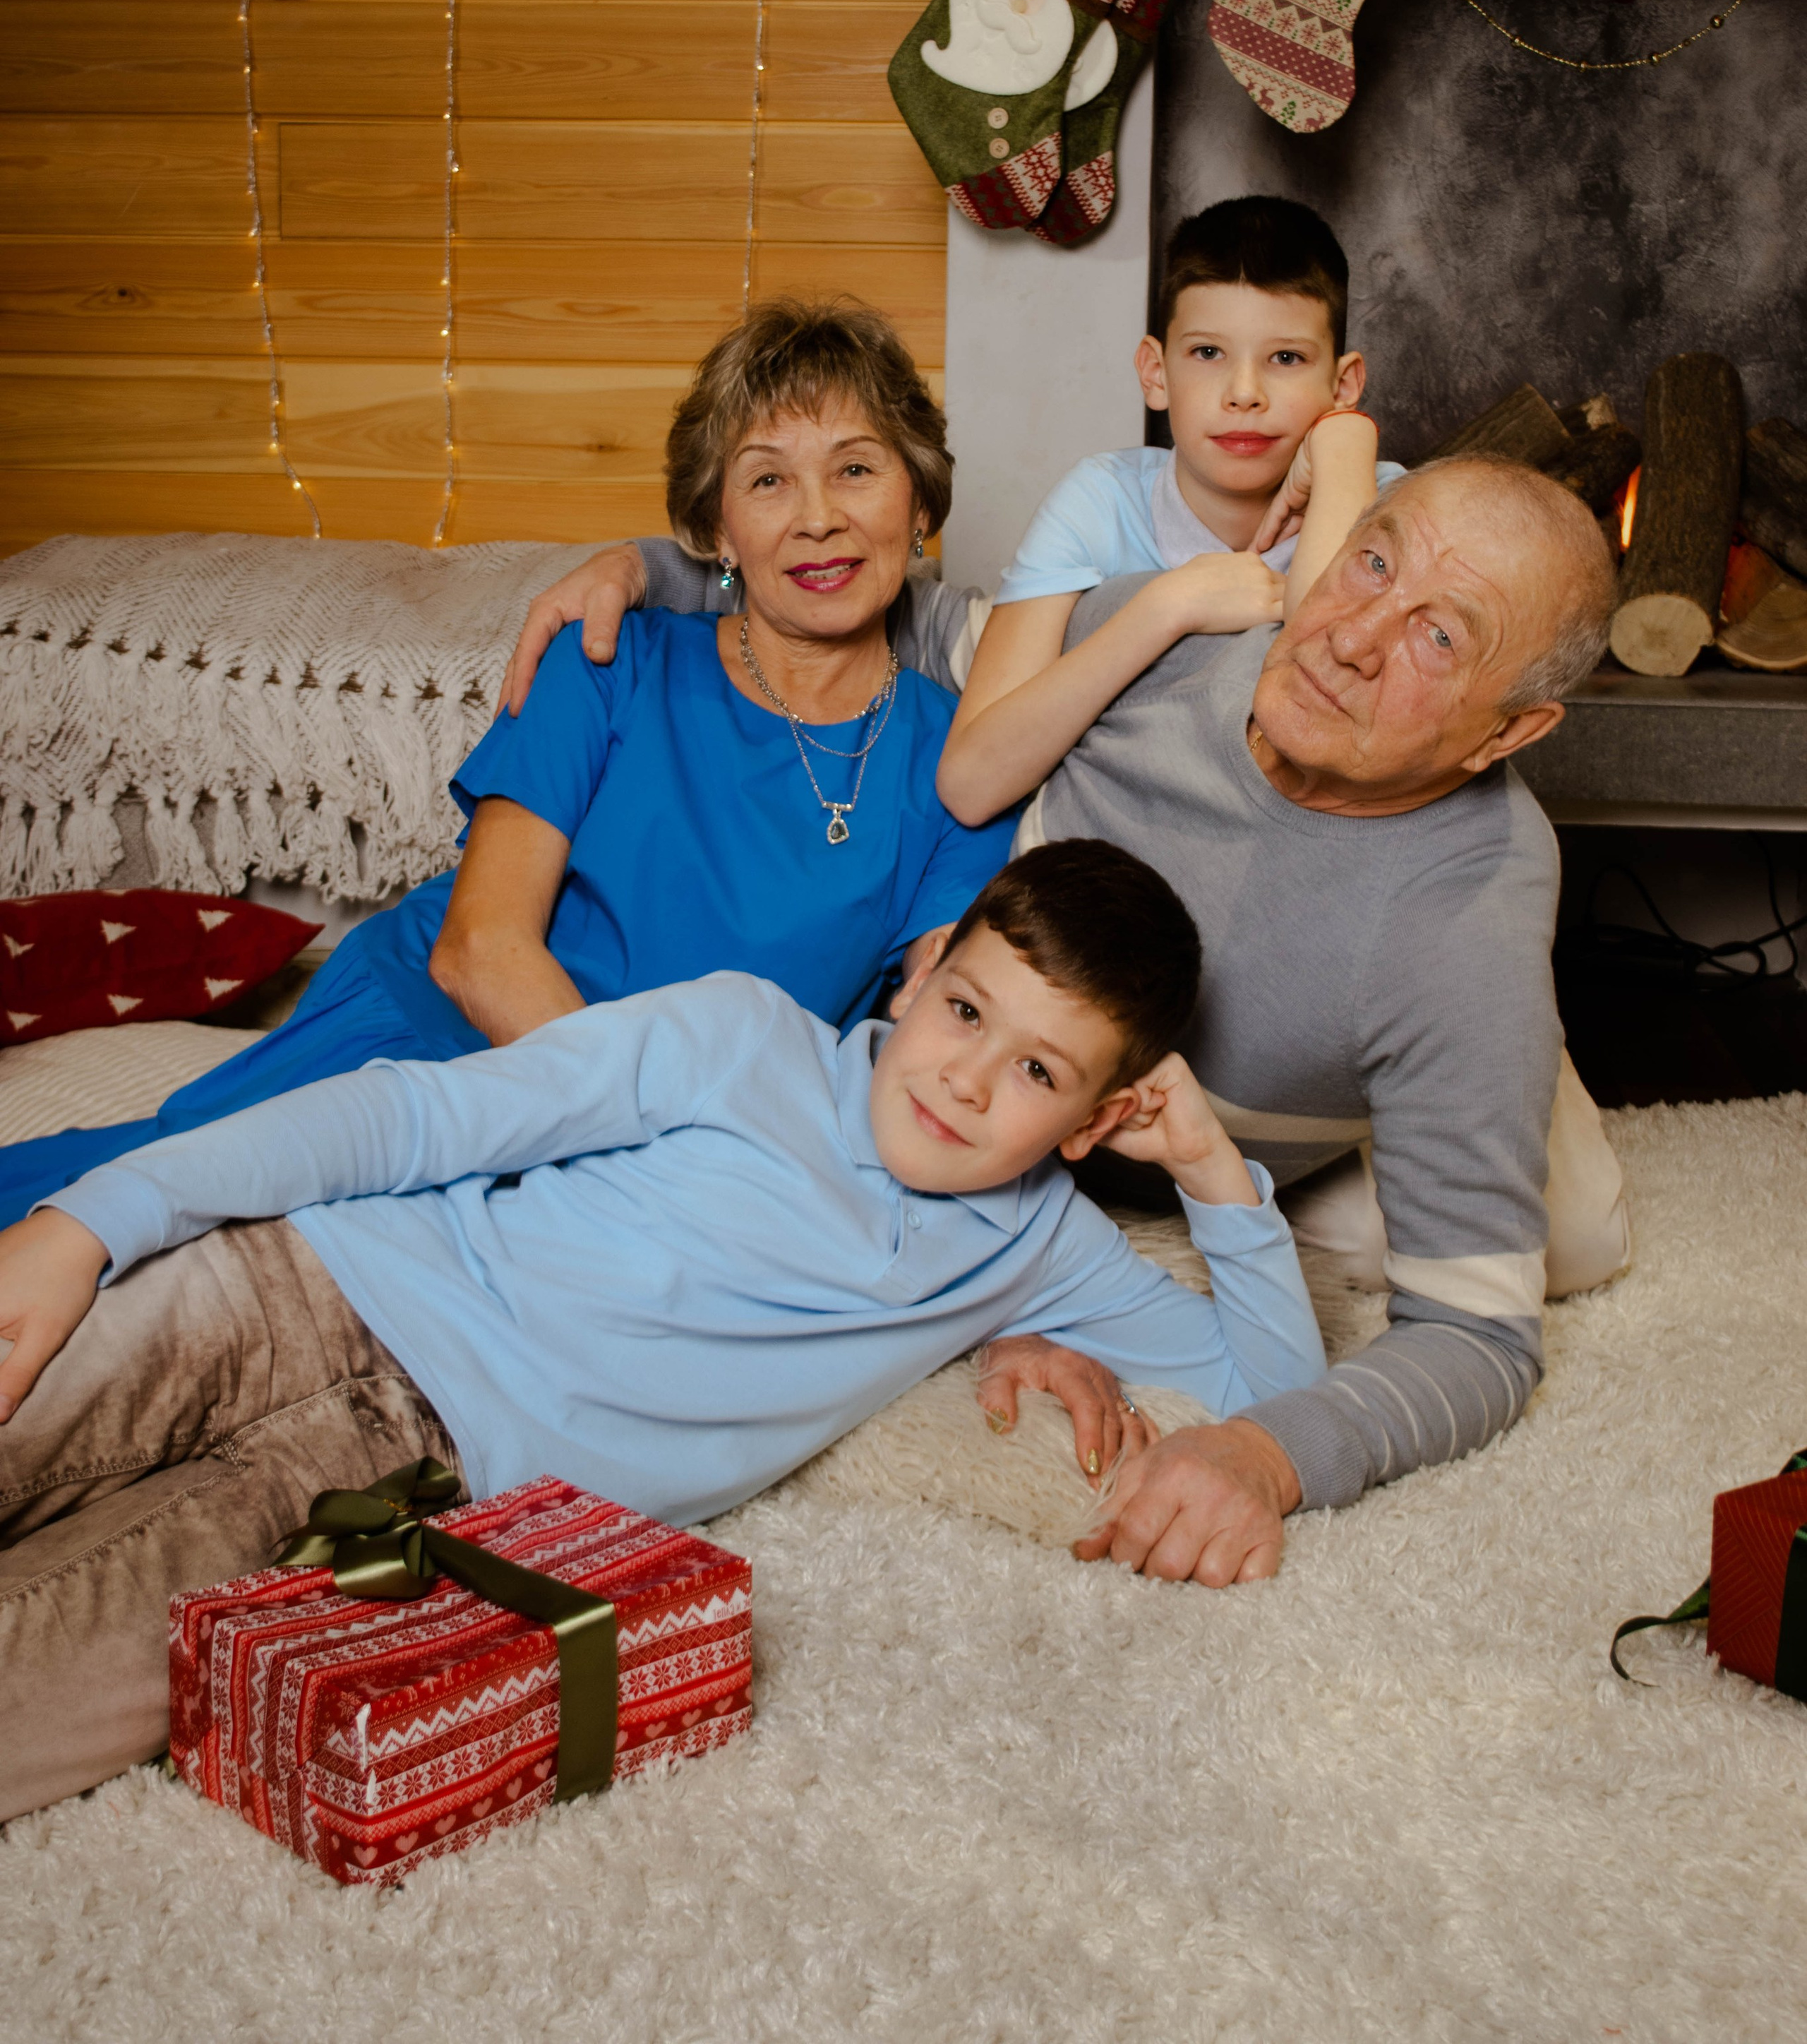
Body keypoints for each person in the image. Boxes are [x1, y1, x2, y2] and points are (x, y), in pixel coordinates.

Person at [0, 842, 1327, 1818]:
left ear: (1098, 1122)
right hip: (291, 1293)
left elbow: (1271, 1392)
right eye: (966, 1011)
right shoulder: (741, 1037)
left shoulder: (1040, 1249)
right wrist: (93, 1222)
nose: (968, 1080)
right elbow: (419, 1118)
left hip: (389, 1499)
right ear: (924, 971)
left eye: (1038, 1072)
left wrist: (1209, 1165)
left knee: (36, 1699)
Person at [502, 453, 1630, 1587]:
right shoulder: (1173, 632)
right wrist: (652, 572)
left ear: (1506, 734)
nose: (1353, 638)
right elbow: (912, 618)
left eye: (1441, 636)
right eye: (1371, 563)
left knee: (1568, 1239)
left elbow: (1479, 1339)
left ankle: (1517, 1101)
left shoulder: (1463, 929)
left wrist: (1266, 1452)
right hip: (1044, 1106)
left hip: (1249, 1108)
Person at [0, 300, 1016, 1233]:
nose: (818, 516)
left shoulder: (964, 764)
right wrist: (647, 1150)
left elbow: (937, 1029)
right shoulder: (607, 661)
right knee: (144, 1211)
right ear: (718, 531)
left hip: (678, 1139)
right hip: (445, 1042)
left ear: (920, 499)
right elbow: (477, 951)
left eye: (856, 469)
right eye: (767, 480)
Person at [937, 197, 1405, 824]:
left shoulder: (1390, 503)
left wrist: (1345, 445)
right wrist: (1167, 606)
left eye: (1286, 358)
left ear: (1343, 386)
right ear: (1156, 374)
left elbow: (1327, 659)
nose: (1245, 394)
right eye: (1208, 353)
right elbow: (971, 786)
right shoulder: (1101, 501)